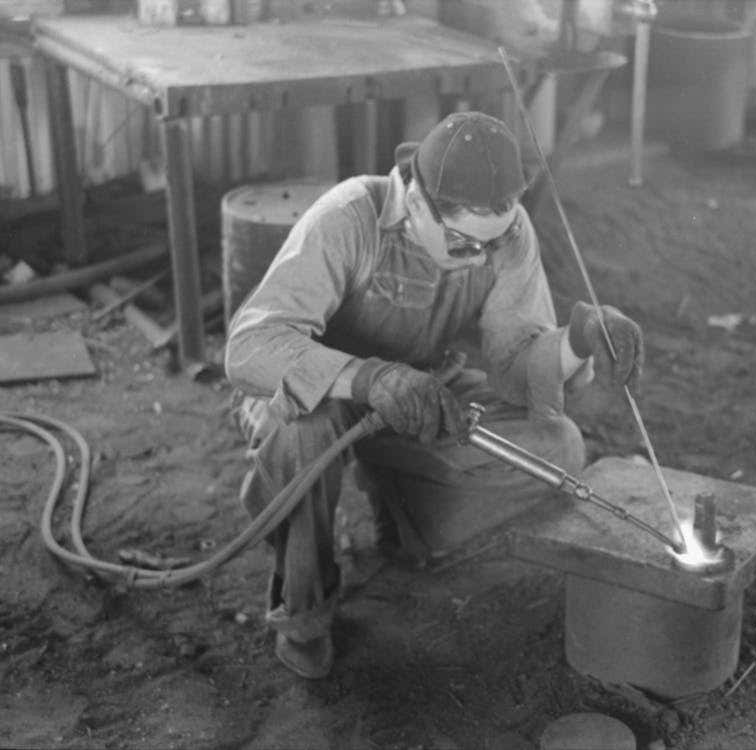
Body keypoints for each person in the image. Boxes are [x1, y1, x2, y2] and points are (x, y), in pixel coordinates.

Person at [224, 111, 644, 679]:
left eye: (489, 245)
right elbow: (251, 346)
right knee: (301, 436)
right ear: (417, 202)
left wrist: (578, 341)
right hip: (321, 391)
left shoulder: (507, 232)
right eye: (464, 244)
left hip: (427, 387)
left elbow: (516, 360)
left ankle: (406, 510)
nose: (479, 257)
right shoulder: (350, 215)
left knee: (560, 444)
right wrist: (371, 378)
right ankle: (305, 614)